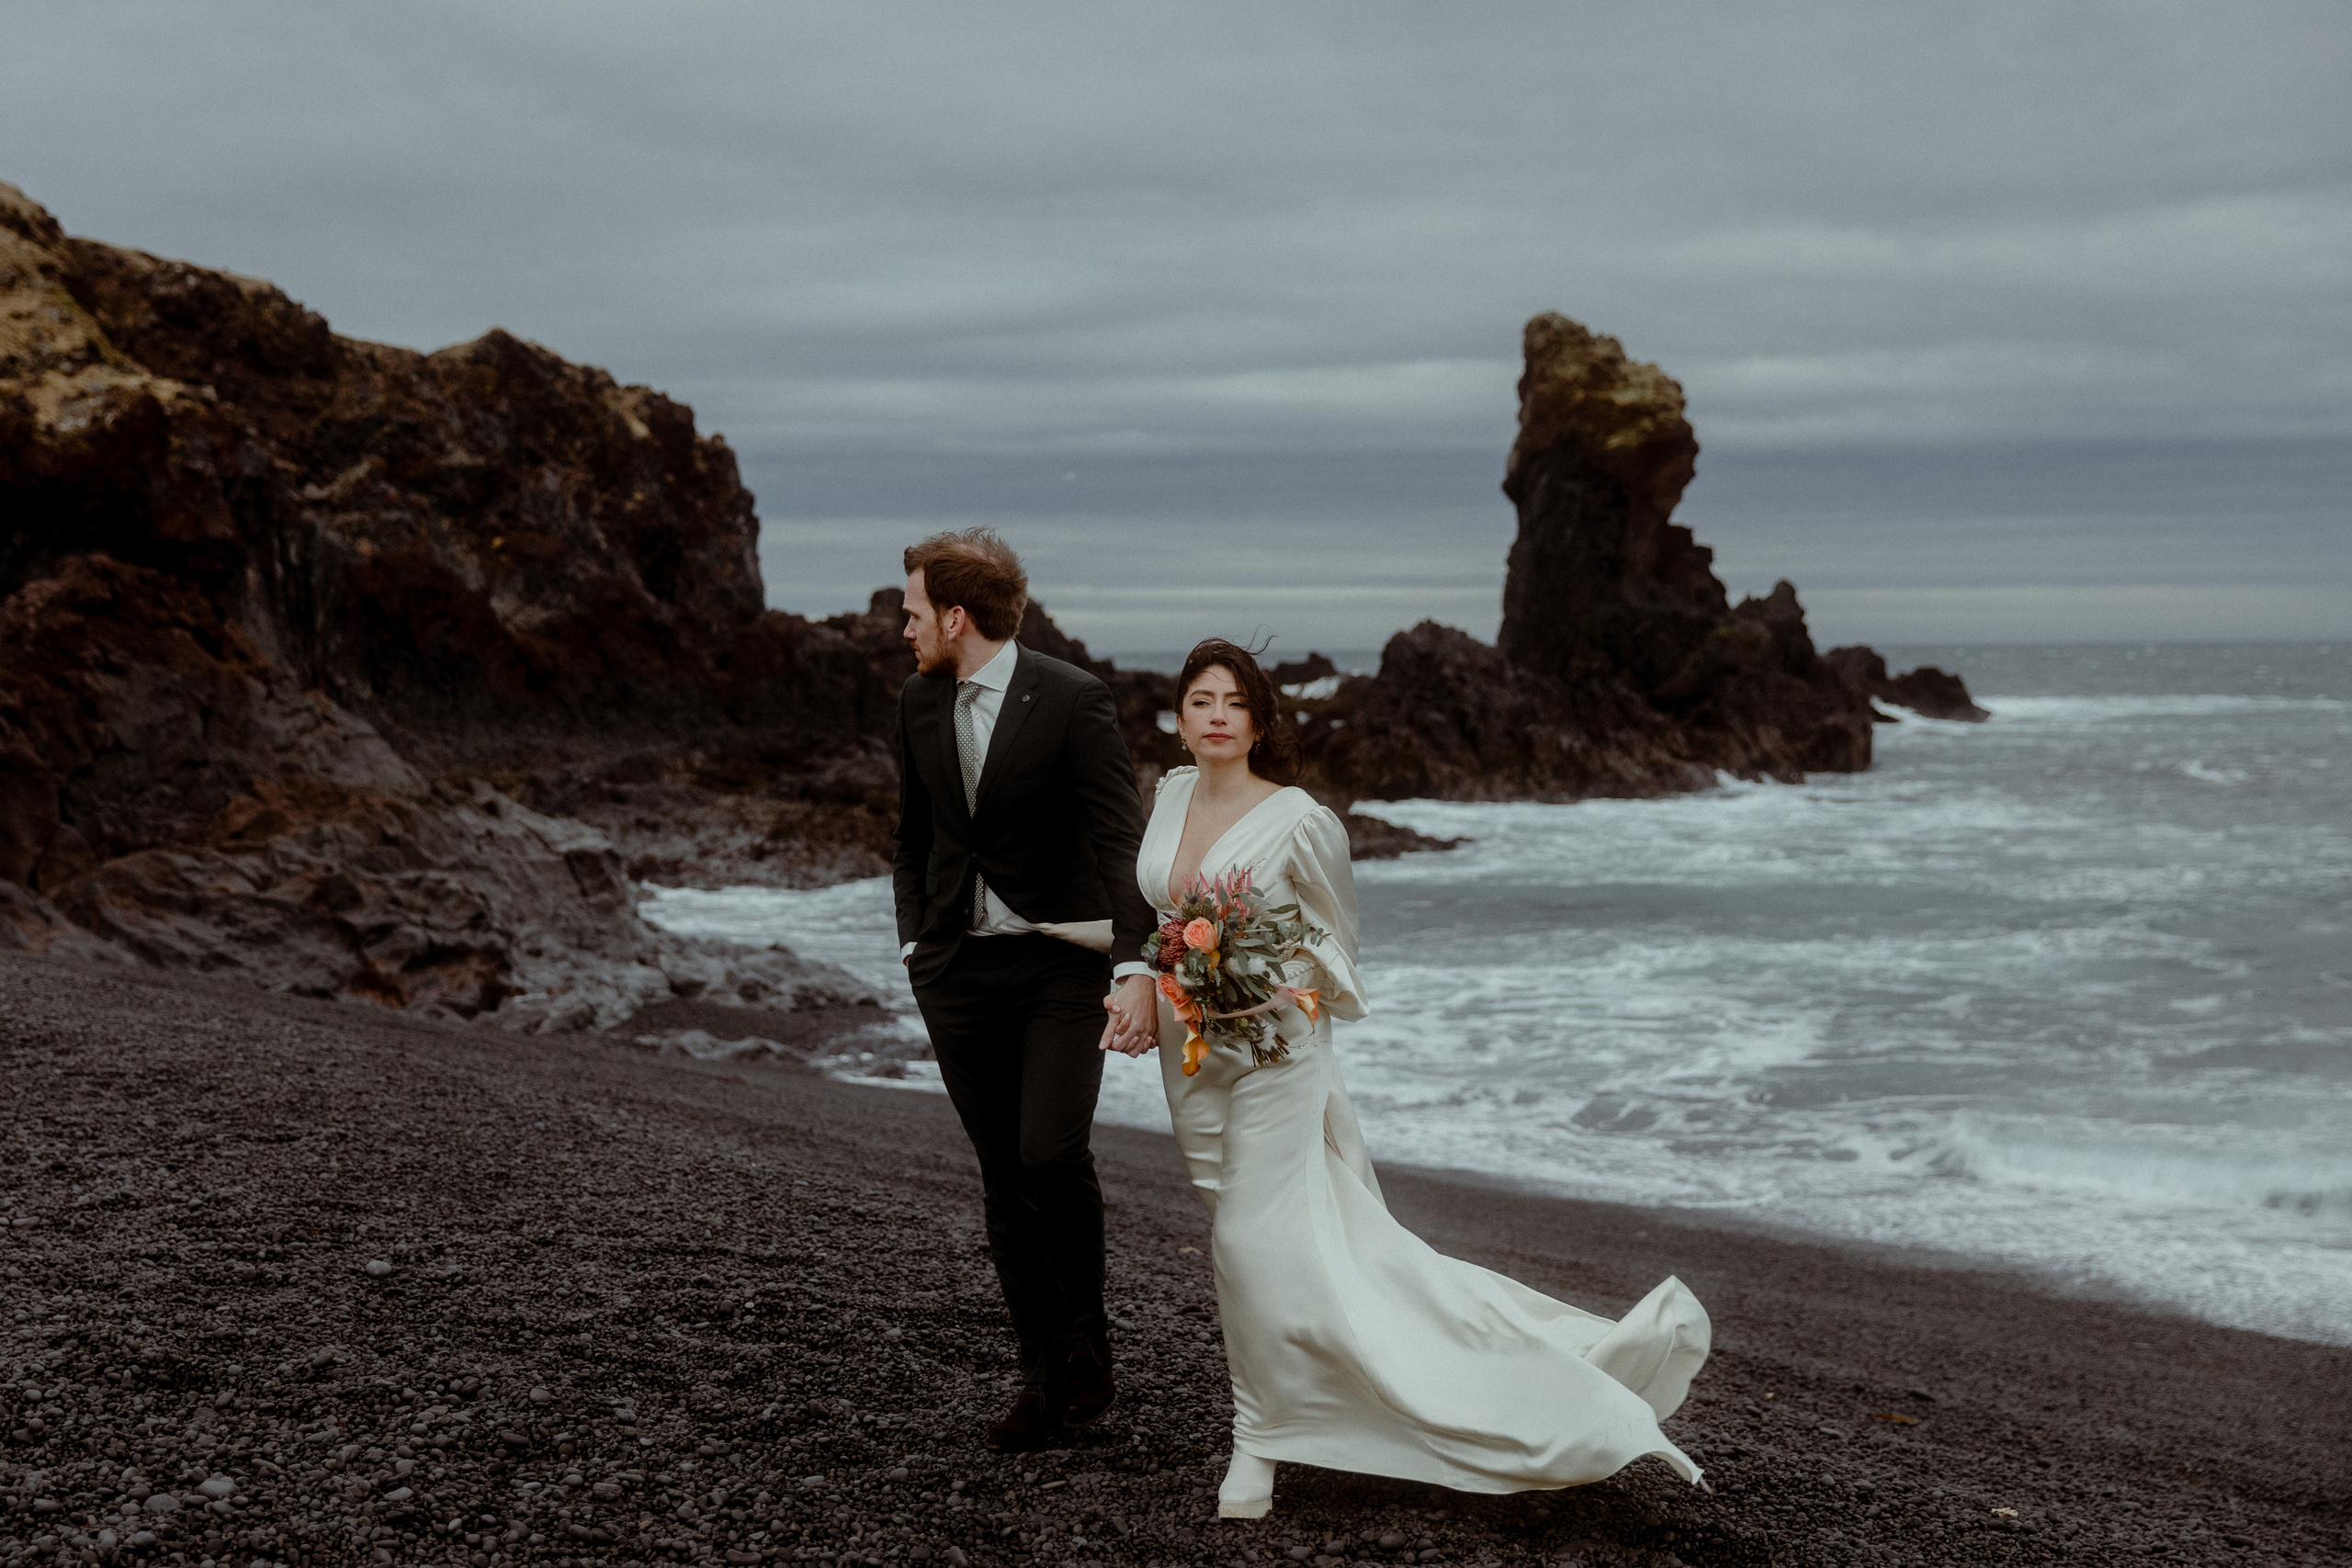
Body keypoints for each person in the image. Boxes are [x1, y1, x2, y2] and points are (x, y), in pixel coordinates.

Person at [1105, 638, 1712, 1518]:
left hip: (1277, 1049)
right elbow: (1160, 916)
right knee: (1294, 1251)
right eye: (1201, 700)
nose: (1217, 716)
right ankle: (1382, 1381)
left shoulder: (1302, 819)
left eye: (1235, 702)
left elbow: (1336, 943)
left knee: (1243, 1244)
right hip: (1190, 1052)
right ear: (1180, 715)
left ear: (1262, 722)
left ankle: (1260, 1440)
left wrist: (1282, 984)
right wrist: (1142, 981)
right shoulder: (1166, 794)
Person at [890, 528, 1161, 1452]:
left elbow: (1118, 840)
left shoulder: (1071, 699)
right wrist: (912, 946)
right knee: (1004, 1178)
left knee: (1049, 1153)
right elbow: (913, 835)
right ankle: (1039, 1378)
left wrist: (1136, 965)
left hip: (1058, 967)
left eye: (914, 611)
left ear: (956, 617)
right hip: (956, 973)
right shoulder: (916, 705)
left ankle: (1085, 1346)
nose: (904, 627)